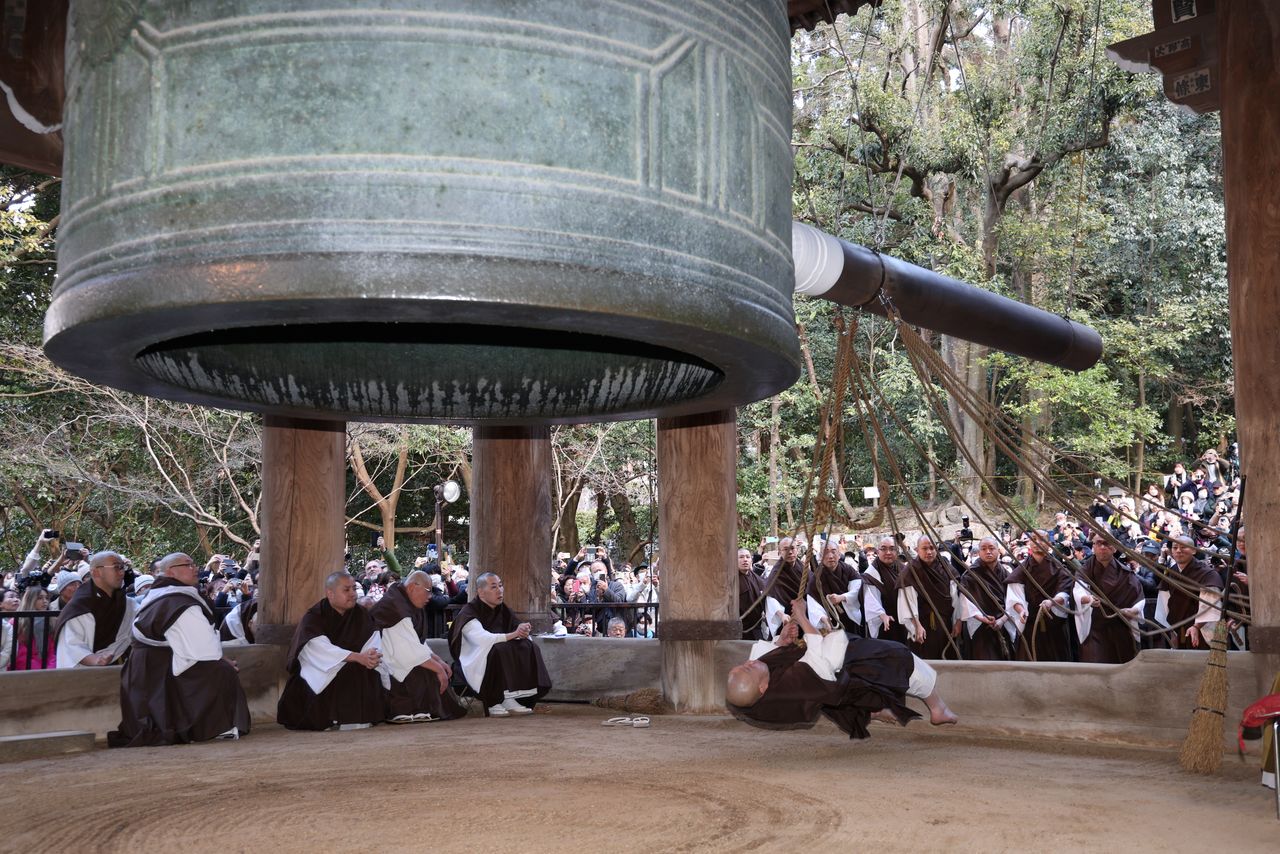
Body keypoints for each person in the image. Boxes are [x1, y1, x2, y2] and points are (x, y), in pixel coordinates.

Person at [725, 597, 956, 738]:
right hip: (836, 669)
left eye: (743, 665)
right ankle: (938, 708)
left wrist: (782, 641)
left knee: (849, 695)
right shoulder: (794, 683)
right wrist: (803, 618)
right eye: (749, 669)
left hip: (827, 683)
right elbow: (819, 652)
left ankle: (874, 710)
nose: (749, 662)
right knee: (897, 656)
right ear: (763, 687)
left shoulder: (759, 689)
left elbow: (770, 659)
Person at [109, 553, 251, 746]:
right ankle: (210, 727)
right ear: (170, 572)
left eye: (194, 564)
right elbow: (204, 648)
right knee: (222, 671)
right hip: (157, 666)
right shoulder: (176, 601)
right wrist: (219, 658)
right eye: (187, 565)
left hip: (148, 665)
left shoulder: (164, 594)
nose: (195, 568)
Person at [277, 571, 389, 731]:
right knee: (342, 669)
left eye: (354, 589)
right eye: (346, 590)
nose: (353, 594)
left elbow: (373, 639)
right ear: (330, 593)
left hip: (357, 664)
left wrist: (370, 656)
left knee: (365, 669)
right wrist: (355, 657)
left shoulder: (362, 615)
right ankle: (334, 719)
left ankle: (359, 718)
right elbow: (317, 648)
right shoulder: (314, 616)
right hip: (321, 668)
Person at [447, 572, 551, 718]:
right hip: (473, 661)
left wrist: (522, 629)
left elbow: (515, 626)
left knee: (527, 646)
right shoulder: (468, 613)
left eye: (501, 586)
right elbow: (484, 640)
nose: (500, 590)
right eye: (494, 587)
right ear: (481, 592)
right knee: (499, 650)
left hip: (496, 654)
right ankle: (494, 701)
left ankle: (509, 697)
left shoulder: (503, 610)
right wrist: (514, 634)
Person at [368, 571, 466, 723]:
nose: (430, 597)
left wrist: (438, 660)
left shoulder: (405, 602)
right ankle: (404, 709)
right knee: (427, 670)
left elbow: (416, 642)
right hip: (385, 661)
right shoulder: (395, 606)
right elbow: (406, 649)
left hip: (400, 655)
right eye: (428, 591)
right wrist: (438, 668)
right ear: (412, 587)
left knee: (431, 667)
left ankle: (422, 709)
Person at [55, 551, 136, 668]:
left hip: (121, 668)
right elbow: (72, 644)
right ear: (96, 572)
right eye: (116, 567)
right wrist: (95, 660)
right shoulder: (80, 606)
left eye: (123, 567)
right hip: (85, 673)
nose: (122, 572)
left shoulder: (128, 603)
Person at [1073, 535, 1144, 664]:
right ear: (1093, 547)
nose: (1102, 547)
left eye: (1107, 543)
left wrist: (1133, 610)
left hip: (1121, 625)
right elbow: (1078, 590)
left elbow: (1139, 597)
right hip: (1095, 628)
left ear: (1115, 548)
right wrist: (1087, 599)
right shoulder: (1085, 570)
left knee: (1122, 665)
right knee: (1096, 665)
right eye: (1098, 543)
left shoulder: (1125, 572)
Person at [1005, 531, 1074, 661]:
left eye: (1042, 539)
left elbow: (1065, 592)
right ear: (1029, 543)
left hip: (1055, 624)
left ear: (1049, 543)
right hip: (1030, 623)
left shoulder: (1058, 567)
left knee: (1056, 662)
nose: (1037, 542)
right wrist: (1021, 610)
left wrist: (1052, 602)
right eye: (1033, 539)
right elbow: (1014, 596)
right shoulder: (1022, 569)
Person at [1154, 536, 1223, 649]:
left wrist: (1196, 626)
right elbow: (1165, 602)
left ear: (1194, 550)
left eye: (1183, 547)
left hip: (1202, 630)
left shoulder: (1207, 574)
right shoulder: (1171, 572)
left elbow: (1211, 605)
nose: (1178, 551)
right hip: (1179, 630)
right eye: (1175, 547)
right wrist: (1172, 629)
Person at [897, 535, 959, 660]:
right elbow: (907, 602)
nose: (929, 552)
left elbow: (955, 597)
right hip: (922, 625)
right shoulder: (911, 571)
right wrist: (916, 626)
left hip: (945, 624)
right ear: (917, 550)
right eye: (924, 548)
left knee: (947, 659)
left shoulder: (946, 567)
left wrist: (958, 621)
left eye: (932, 548)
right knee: (924, 661)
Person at [957, 537, 1013, 660]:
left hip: (1003, 623)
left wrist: (1002, 620)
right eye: (984, 549)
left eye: (991, 548)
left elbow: (1013, 599)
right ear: (979, 552)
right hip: (980, 625)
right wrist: (982, 618)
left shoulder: (1006, 573)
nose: (988, 552)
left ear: (998, 550)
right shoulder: (970, 575)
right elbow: (965, 602)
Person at [862, 537, 908, 644]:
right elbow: (870, 599)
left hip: (906, 619)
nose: (888, 552)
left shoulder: (904, 569)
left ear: (897, 551)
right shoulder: (871, 573)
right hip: (886, 622)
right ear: (877, 552)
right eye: (883, 549)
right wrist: (882, 615)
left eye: (892, 549)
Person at [810, 541, 862, 635]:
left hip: (850, 617)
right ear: (820, 556)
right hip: (830, 621)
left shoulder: (848, 570)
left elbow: (858, 588)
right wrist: (822, 618)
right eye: (826, 552)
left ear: (839, 554)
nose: (830, 556)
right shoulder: (816, 577)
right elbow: (812, 602)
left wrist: (842, 597)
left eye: (833, 552)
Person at [11, 584, 54, 670]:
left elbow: (52, 651)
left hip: (48, 668)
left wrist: (51, 668)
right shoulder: (17, 622)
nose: (45, 601)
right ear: (30, 600)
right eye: (40, 598)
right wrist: (40, 670)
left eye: (46, 598)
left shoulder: (51, 621)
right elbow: (20, 654)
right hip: (26, 669)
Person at [737, 548, 768, 640]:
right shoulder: (731, 578)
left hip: (756, 625)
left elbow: (765, 588)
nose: (745, 560)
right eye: (741, 557)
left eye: (748, 557)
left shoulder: (753, 576)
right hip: (740, 627)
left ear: (751, 560)